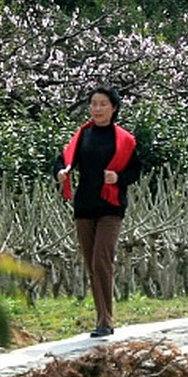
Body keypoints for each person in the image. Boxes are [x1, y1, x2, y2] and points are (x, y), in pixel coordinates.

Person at [55, 85, 142, 338]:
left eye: (103, 104)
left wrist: (119, 177)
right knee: (92, 264)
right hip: (84, 206)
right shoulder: (82, 136)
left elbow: (136, 169)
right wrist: (61, 173)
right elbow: (63, 160)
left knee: (101, 260)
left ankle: (106, 320)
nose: (97, 108)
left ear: (114, 108)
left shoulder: (124, 139)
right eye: (93, 103)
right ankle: (101, 316)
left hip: (112, 207)